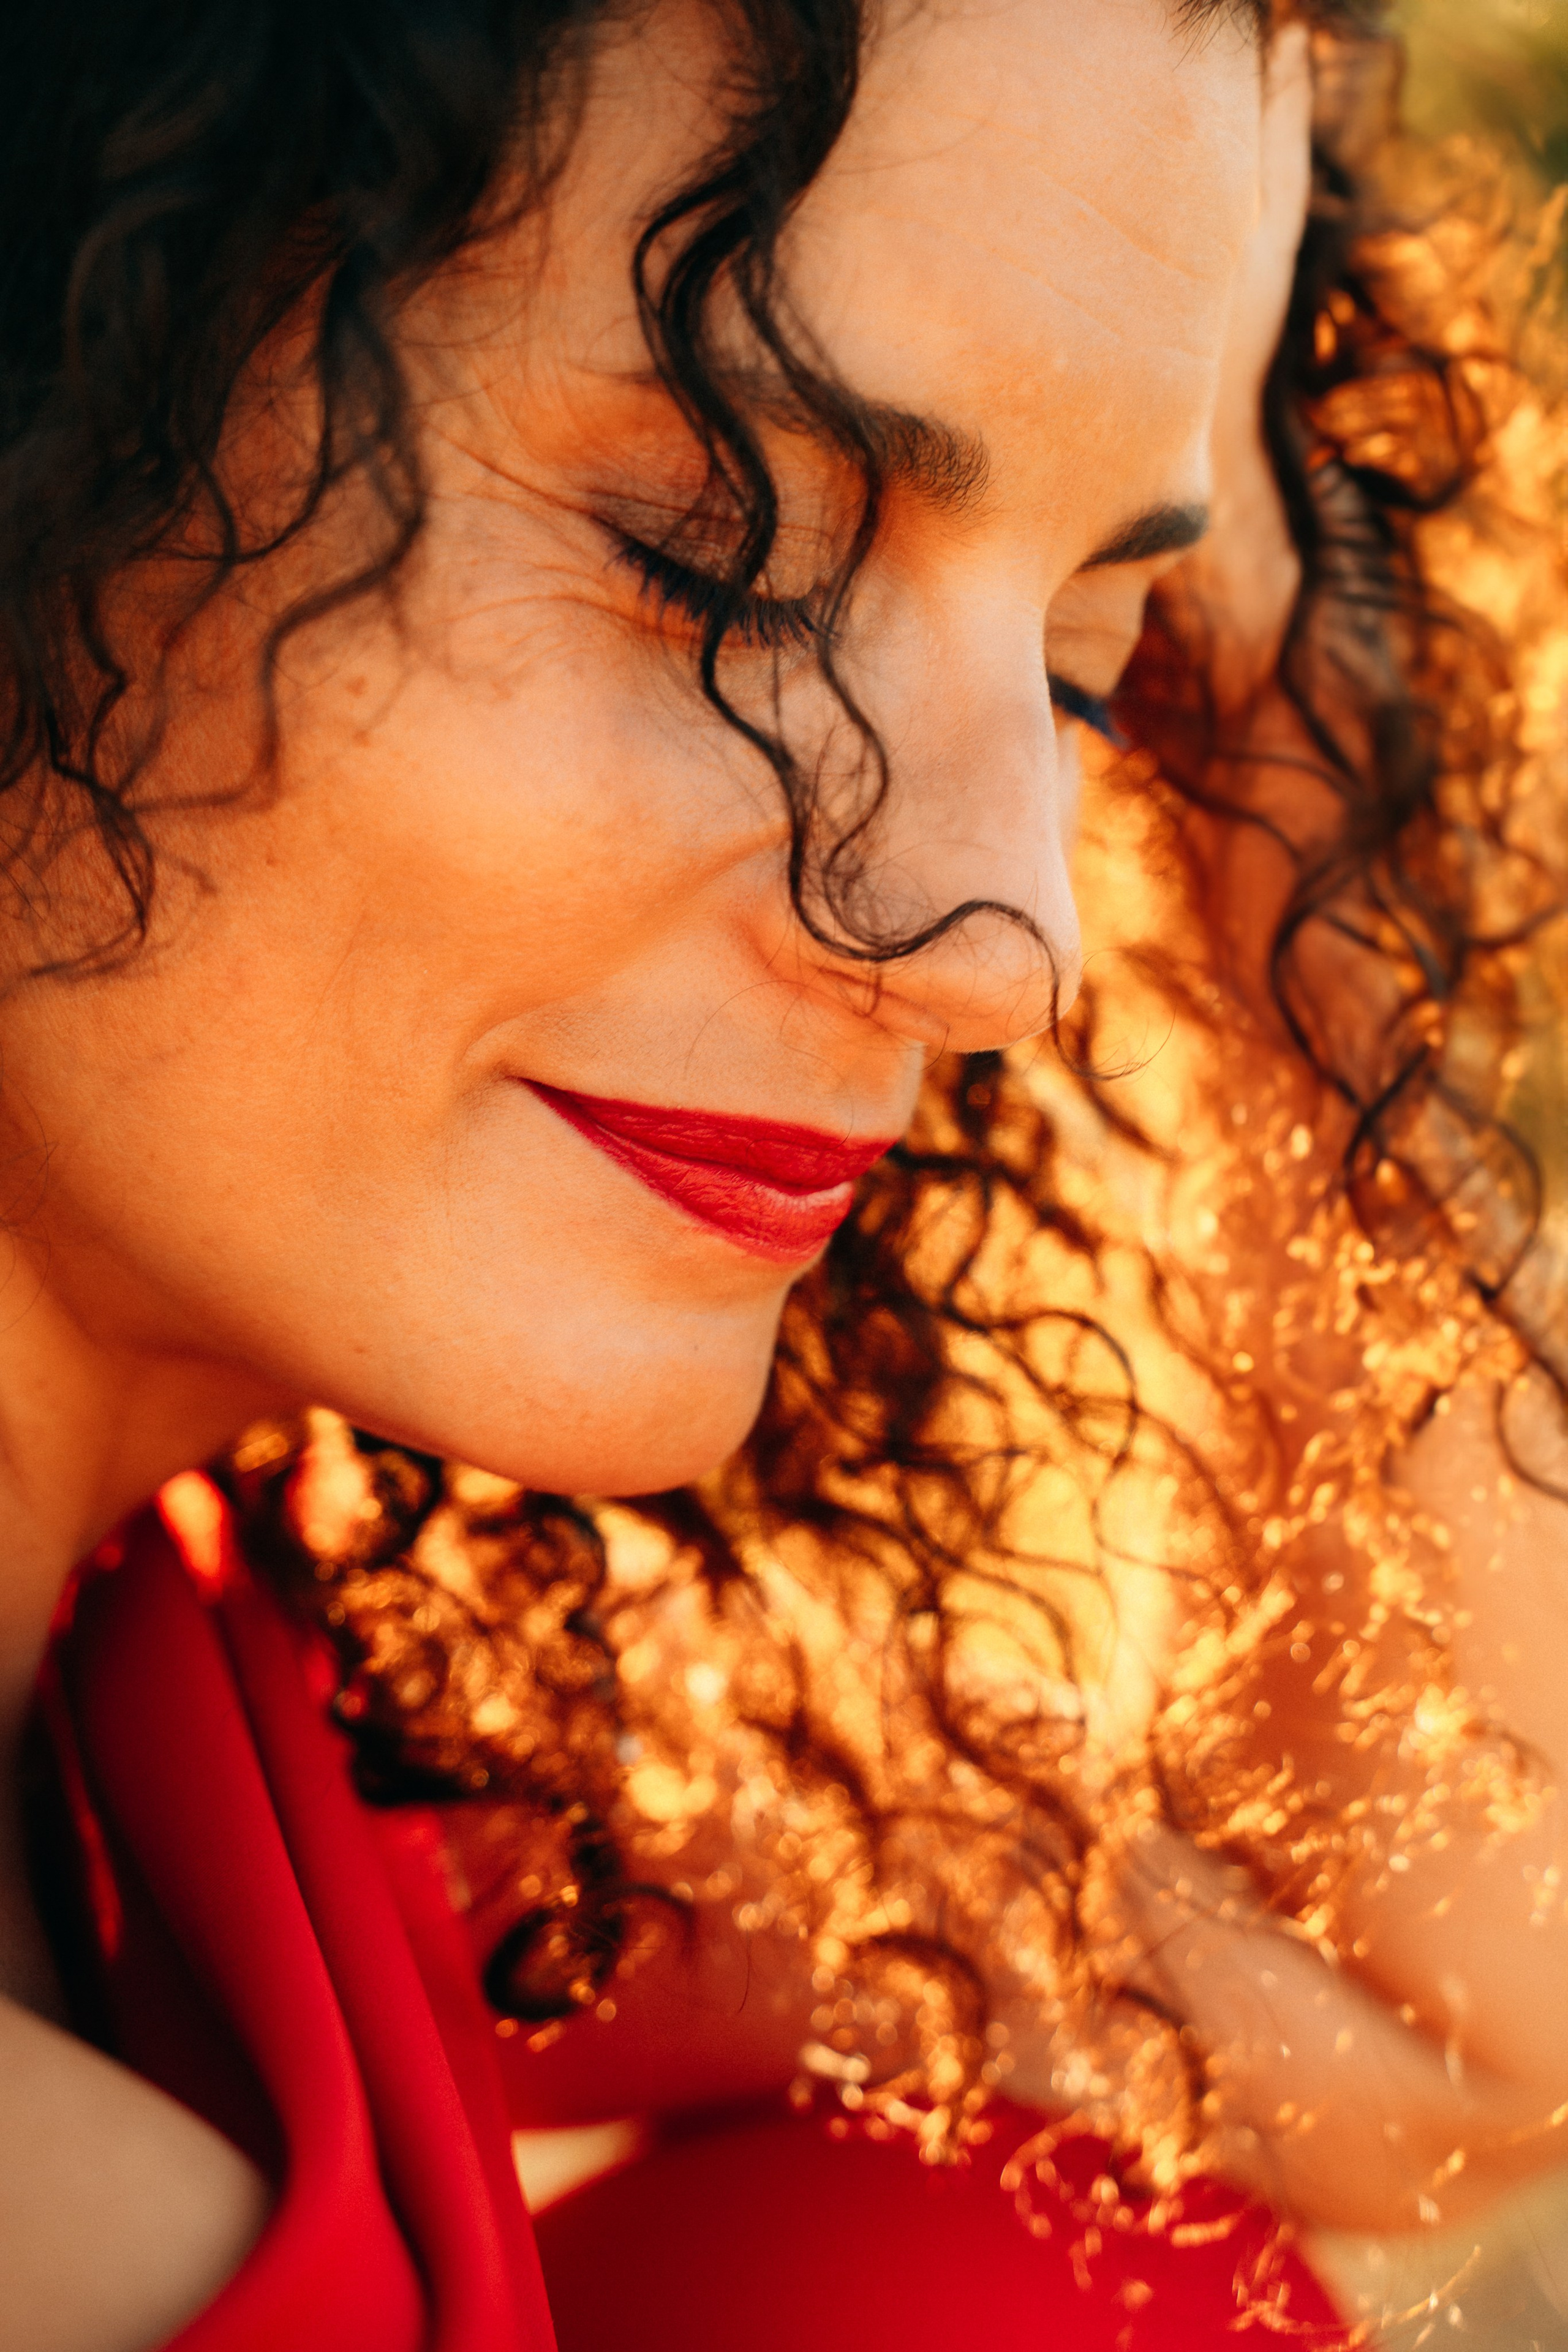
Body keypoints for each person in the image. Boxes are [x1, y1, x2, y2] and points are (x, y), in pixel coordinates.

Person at [1, 0, 1564, 2345]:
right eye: (717, 547)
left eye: (1084, 661)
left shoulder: (194, 1746)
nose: (1008, 938)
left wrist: (1308, 846)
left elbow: (1483, 1988)